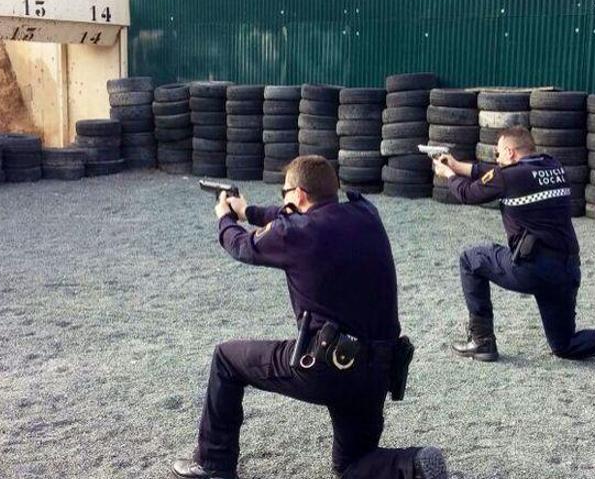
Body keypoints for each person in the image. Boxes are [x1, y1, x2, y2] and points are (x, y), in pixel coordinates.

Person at [171, 155, 447, 479]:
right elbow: (293, 215)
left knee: (227, 359)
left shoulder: (296, 232)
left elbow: (240, 245)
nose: (283, 200)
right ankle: (412, 464)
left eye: (285, 193)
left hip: (327, 366)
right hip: (379, 370)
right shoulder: (366, 213)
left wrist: (224, 218)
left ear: (299, 194)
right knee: (351, 466)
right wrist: (248, 211)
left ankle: (212, 463)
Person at [431, 126, 595, 379]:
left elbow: (467, 193)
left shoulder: (509, 177)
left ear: (510, 152)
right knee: (564, 345)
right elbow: (497, 174)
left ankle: (481, 340)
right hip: (567, 270)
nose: (496, 160)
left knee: (470, 259)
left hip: (532, 269)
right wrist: (457, 164)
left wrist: (448, 174)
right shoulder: (553, 166)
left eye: (498, 154)